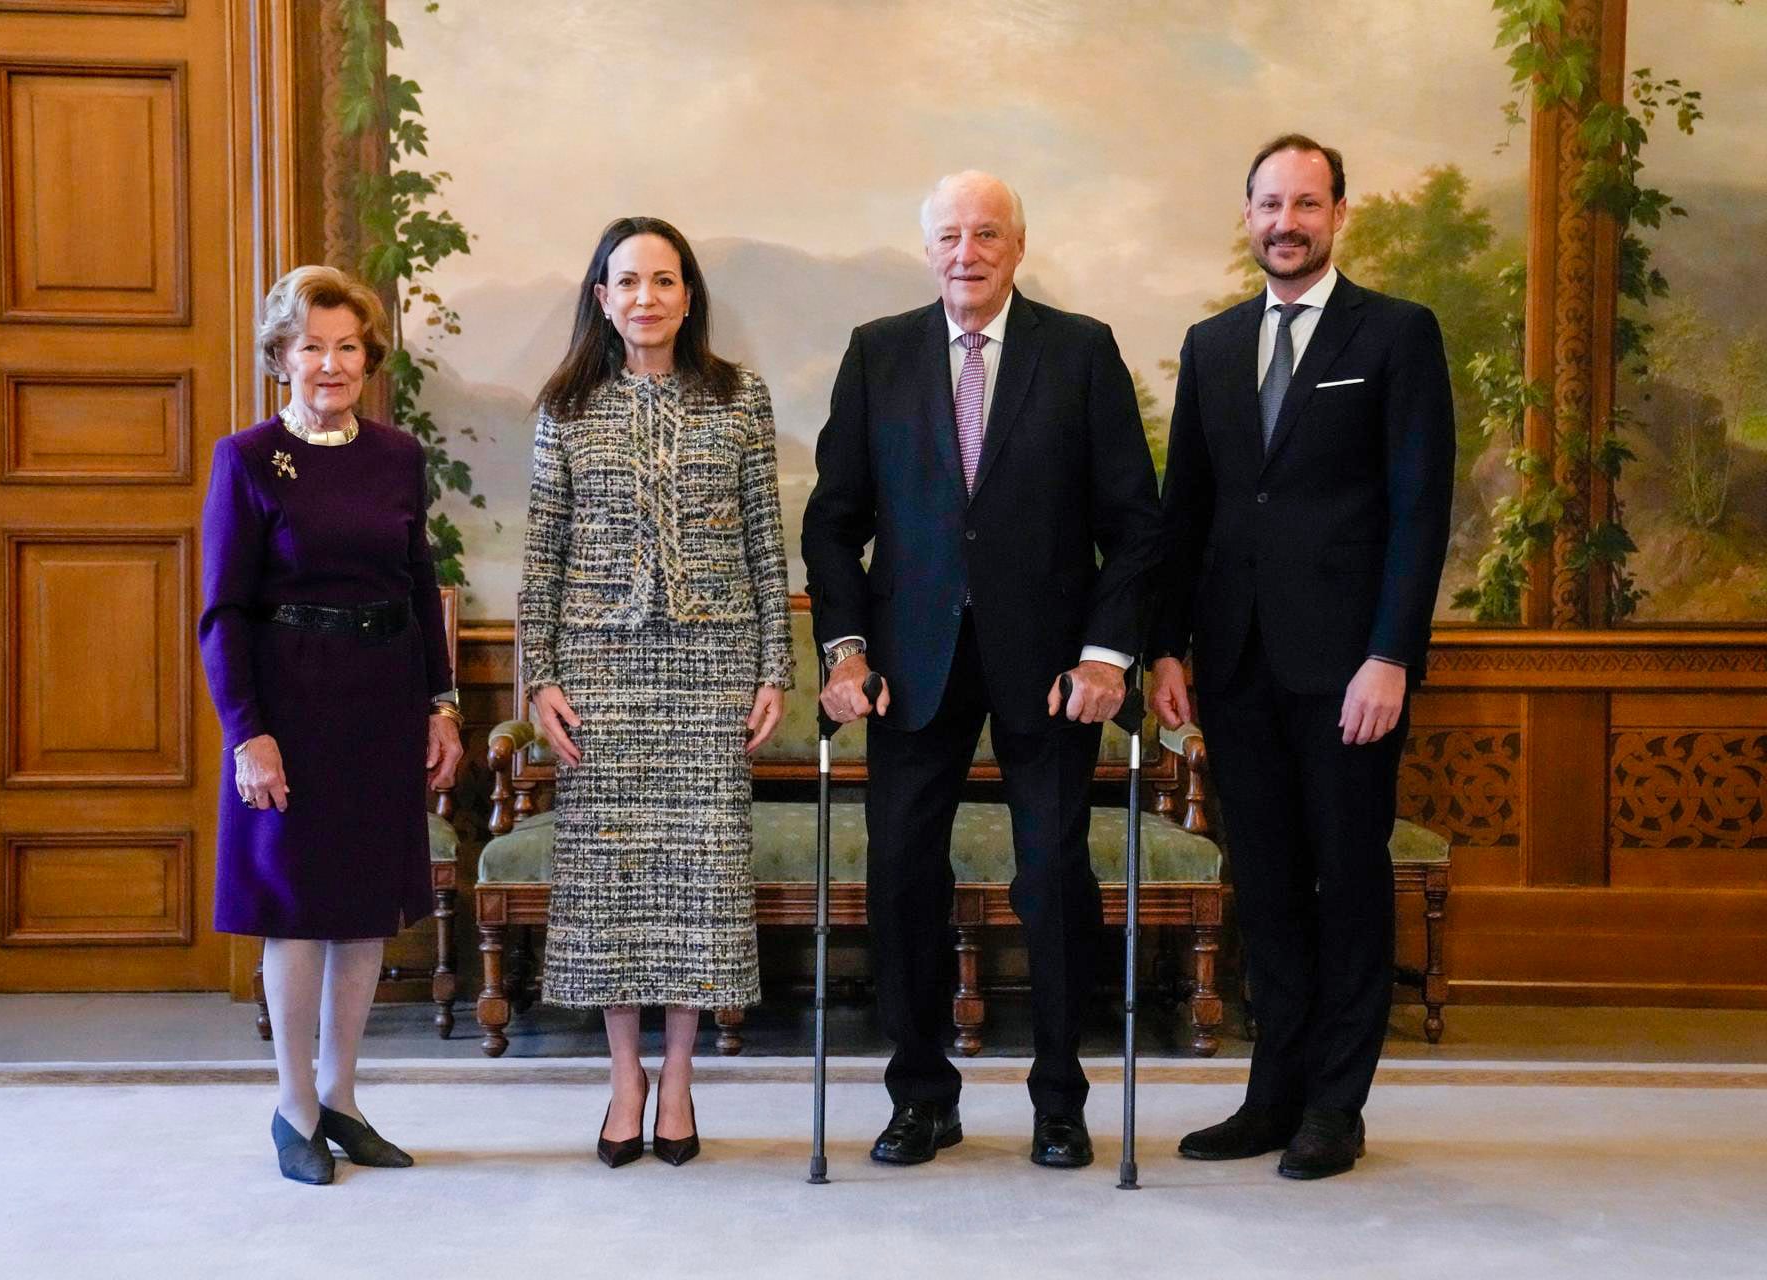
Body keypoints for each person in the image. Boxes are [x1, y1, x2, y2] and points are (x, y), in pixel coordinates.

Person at [802, 172, 1163, 1170]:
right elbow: (835, 521)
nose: (968, 251)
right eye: (951, 235)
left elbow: (1134, 521)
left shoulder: (1079, 350)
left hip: (1052, 664)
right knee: (901, 877)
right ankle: (921, 1094)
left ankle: (1060, 1098)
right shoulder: (878, 353)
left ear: (1019, 244)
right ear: (928, 249)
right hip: (908, 664)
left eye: (987, 232)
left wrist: (1105, 653)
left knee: (1052, 875)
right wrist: (844, 649)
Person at [1148, 135, 1456, 1180]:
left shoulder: (1399, 335)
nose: (1288, 221)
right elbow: (1186, 506)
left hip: (1348, 671)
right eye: (1270, 204)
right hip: (1232, 662)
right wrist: (1164, 646)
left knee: (1347, 879)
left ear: (1338, 214)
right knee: (1266, 884)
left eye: (1307, 203)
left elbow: (1420, 511)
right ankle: (1270, 1093)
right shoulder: (1213, 342)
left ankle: (1337, 1102)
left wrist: (1391, 655)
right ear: (1247, 216)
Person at [519, 217, 793, 1168]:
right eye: (626, 281)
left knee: (702, 886)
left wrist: (775, 668)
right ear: (601, 297)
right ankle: (623, 1074)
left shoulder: (737, 399)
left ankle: (679, 1079)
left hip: (713, 672)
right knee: (611, 891)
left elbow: (767, 541)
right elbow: (542, 552)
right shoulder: (565, 405)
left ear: (688, 297)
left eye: (664, 281)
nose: (646, 297)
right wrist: (538, 677)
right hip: (599, 673)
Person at [199, 265, 464, 1185]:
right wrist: (248, 733)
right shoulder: (245, 458)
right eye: (311, 345)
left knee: (363, 915)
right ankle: (293, 1109)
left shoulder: (396, 455)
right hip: (290, 703)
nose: (331, 362)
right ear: (281, 356)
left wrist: (442, 703)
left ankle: (343, 1098)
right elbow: (222, 613)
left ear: (368, 357)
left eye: (347, 346)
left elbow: (419, 585)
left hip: (382, 700)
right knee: (297, 914)